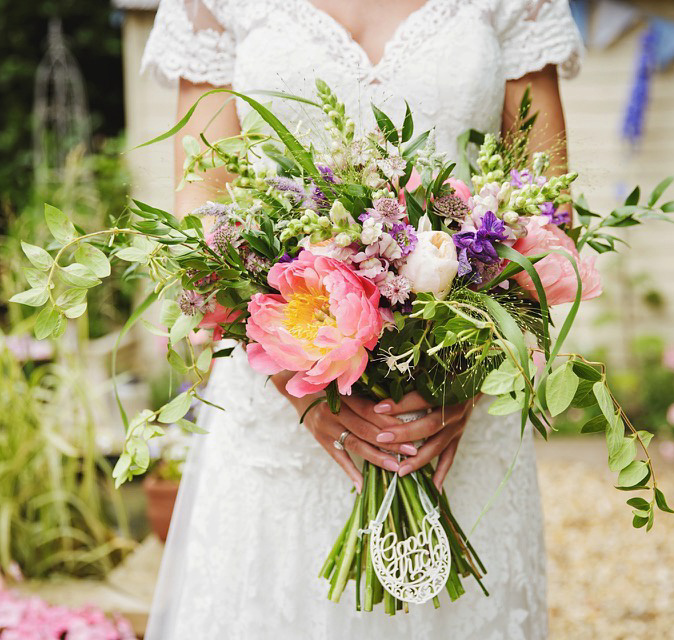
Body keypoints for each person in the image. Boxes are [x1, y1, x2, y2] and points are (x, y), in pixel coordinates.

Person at [140, 1, 581, 637]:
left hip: (456, 411)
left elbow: (545, 205)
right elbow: (203, 200)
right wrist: (301, 393)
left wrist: (473, 380)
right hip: (281, 413)